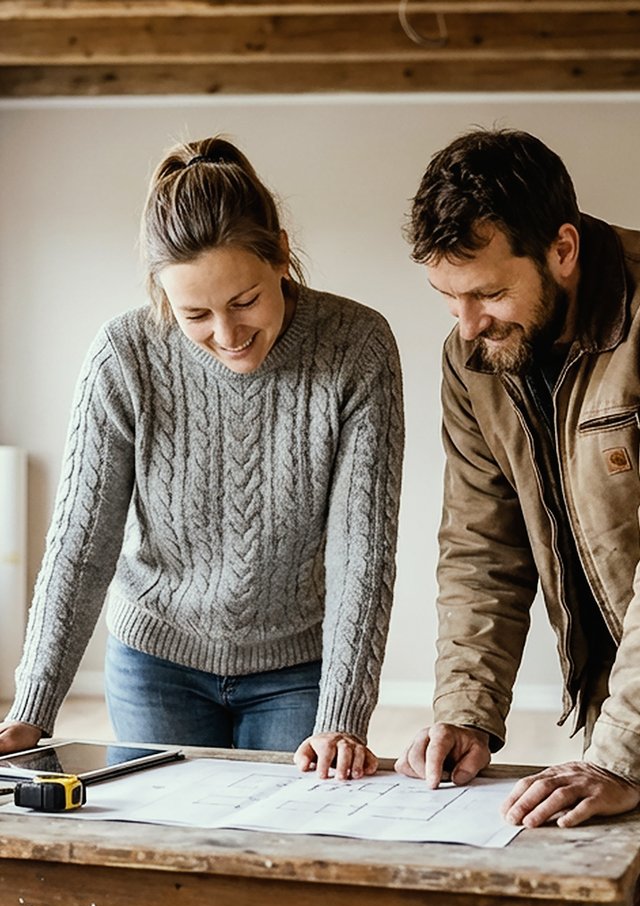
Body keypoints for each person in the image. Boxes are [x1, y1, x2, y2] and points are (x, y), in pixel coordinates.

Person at [0, 136, 404, 780]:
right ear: (164, 298)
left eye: (245, 301)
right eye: (195, 314)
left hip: (296, 671)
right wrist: (33, 706)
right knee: (169, 854)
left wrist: (343, 713)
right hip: (155, 663)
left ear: (280, 253)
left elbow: (364, 546)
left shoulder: (356, 346)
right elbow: (83, 541)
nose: (228, 334)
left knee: (286, 851)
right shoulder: (125, 355)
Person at [395, 127, 640, 827]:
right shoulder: (472, 360)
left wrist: (621, 753)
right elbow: (482, 549)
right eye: (448, 299)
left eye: (489, 293)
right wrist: (466, 712)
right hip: (618, 695)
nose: (468, 326)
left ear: (562, 250)